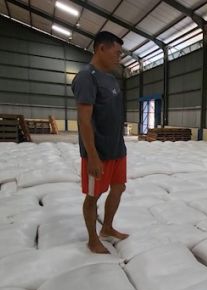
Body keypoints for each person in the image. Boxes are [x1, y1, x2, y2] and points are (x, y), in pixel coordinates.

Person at [72, 31, 129, 253]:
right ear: (101, 49)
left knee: (118, 188)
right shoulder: (87, 77)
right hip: (99, 152)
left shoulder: (111, 78)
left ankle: (107, 227)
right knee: (93, 196)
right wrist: (93, 156)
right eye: (117, 52)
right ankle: (92, 239)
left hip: (117, 150)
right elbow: (84, 121)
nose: (119, 57)